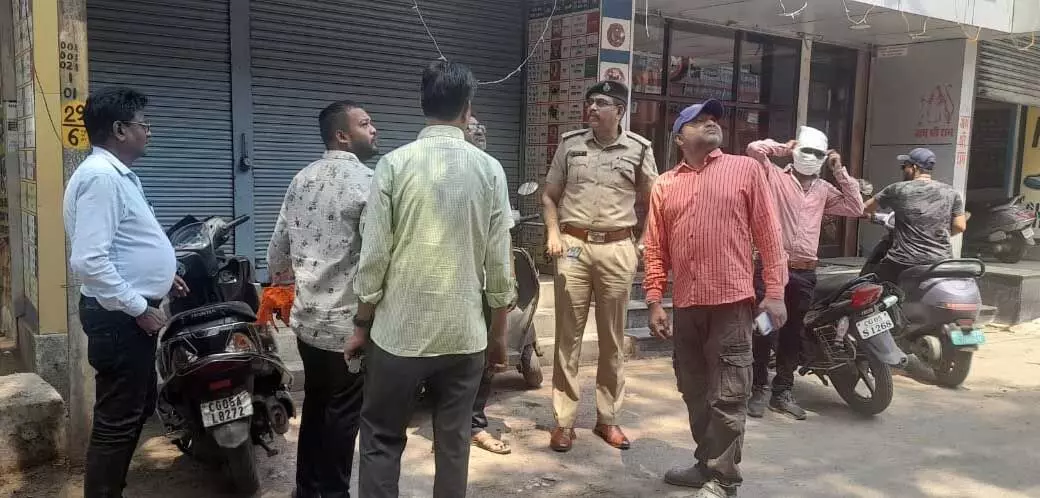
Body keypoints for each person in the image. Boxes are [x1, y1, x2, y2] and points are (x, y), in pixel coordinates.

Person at [347, 60, 515, 498]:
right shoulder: (490, 169)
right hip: (464, 334)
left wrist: (361, 324)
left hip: (398, 334)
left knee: (381, 437)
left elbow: (374, 257)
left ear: (423, 106)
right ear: (467, 108)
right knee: (454, 442)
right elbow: (500, 263)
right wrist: (498, 333)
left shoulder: (393, 165)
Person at [643, 100, 788, 498]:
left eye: (714, 119)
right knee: (693, 390)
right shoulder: (665, 184)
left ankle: (724, 480)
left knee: (728, 393)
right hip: (687, 305)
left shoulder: (745, 170)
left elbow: (770, 236)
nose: (711, 123)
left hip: (731, 304)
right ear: (679, 138)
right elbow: (655, 248)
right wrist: (654, 300)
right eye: (699, 120)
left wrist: (775, 293)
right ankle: (705, 463)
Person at [64, 86, 187, 498]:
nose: (148, 132)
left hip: (125, 315)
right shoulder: (102, 178)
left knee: (136, 407)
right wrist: (139, 306)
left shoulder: (116, 175)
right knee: (117, 420)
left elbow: (125, 243)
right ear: (119, 129)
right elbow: (89, 261)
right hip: (120, 319)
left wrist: (163, 277)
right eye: (143, 125)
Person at [267, 100, 378, 498]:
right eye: (365, 123)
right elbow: (378, 259)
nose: (374, 130)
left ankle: (305, 489)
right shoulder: (370, 183)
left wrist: (286, 286)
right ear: (342, 135)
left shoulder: (301, 179)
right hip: (349, 326)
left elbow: (276, 253)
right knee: (344, 416)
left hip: (307, 322)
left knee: (315, 404)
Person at [541, 80, 658, 453]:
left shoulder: (639, 149)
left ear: (619, 110)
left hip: (617, 248)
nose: (591, 108)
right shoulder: (570, 145)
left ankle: (608, 419)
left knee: (612, 340)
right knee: (567, 338)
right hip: (573, 247)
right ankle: (564, 422)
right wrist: (553, 233)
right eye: (590, 102)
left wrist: (642, 243)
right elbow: (549, 195)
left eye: (601, 102)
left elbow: (655, 202)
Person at [745, 126, 865, 421]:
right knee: (764, 330)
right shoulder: (774, 177)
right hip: (770, 270)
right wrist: (784, 147)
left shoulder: (824, 190)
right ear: (797, 151)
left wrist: (839, 170)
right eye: (806, 151)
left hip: (804, 274)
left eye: (817, 153)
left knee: (793, 333)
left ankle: (782, 392)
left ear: (824, 157)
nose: (810, 157)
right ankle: (757, 388)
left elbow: (855, 206)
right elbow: (754, 149)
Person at [465, 114, 513, 456]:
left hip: (483, 284)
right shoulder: (431, 168)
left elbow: (502, 236)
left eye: (483, 127)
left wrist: (508, 284)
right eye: (471, 126)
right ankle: (448, 425)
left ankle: (473, 424)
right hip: (445, 284)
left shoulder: (492, 171)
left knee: (483, 360)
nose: (479, 131)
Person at [863, 148, 967, 284]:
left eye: (904, 166)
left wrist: (865, 211)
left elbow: (865, 208)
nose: (903, 170)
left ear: (914, 167)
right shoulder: (951, 192)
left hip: (903, 260)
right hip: (941, 261)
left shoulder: (897, 189)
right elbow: (960, 226)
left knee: (869, 284)